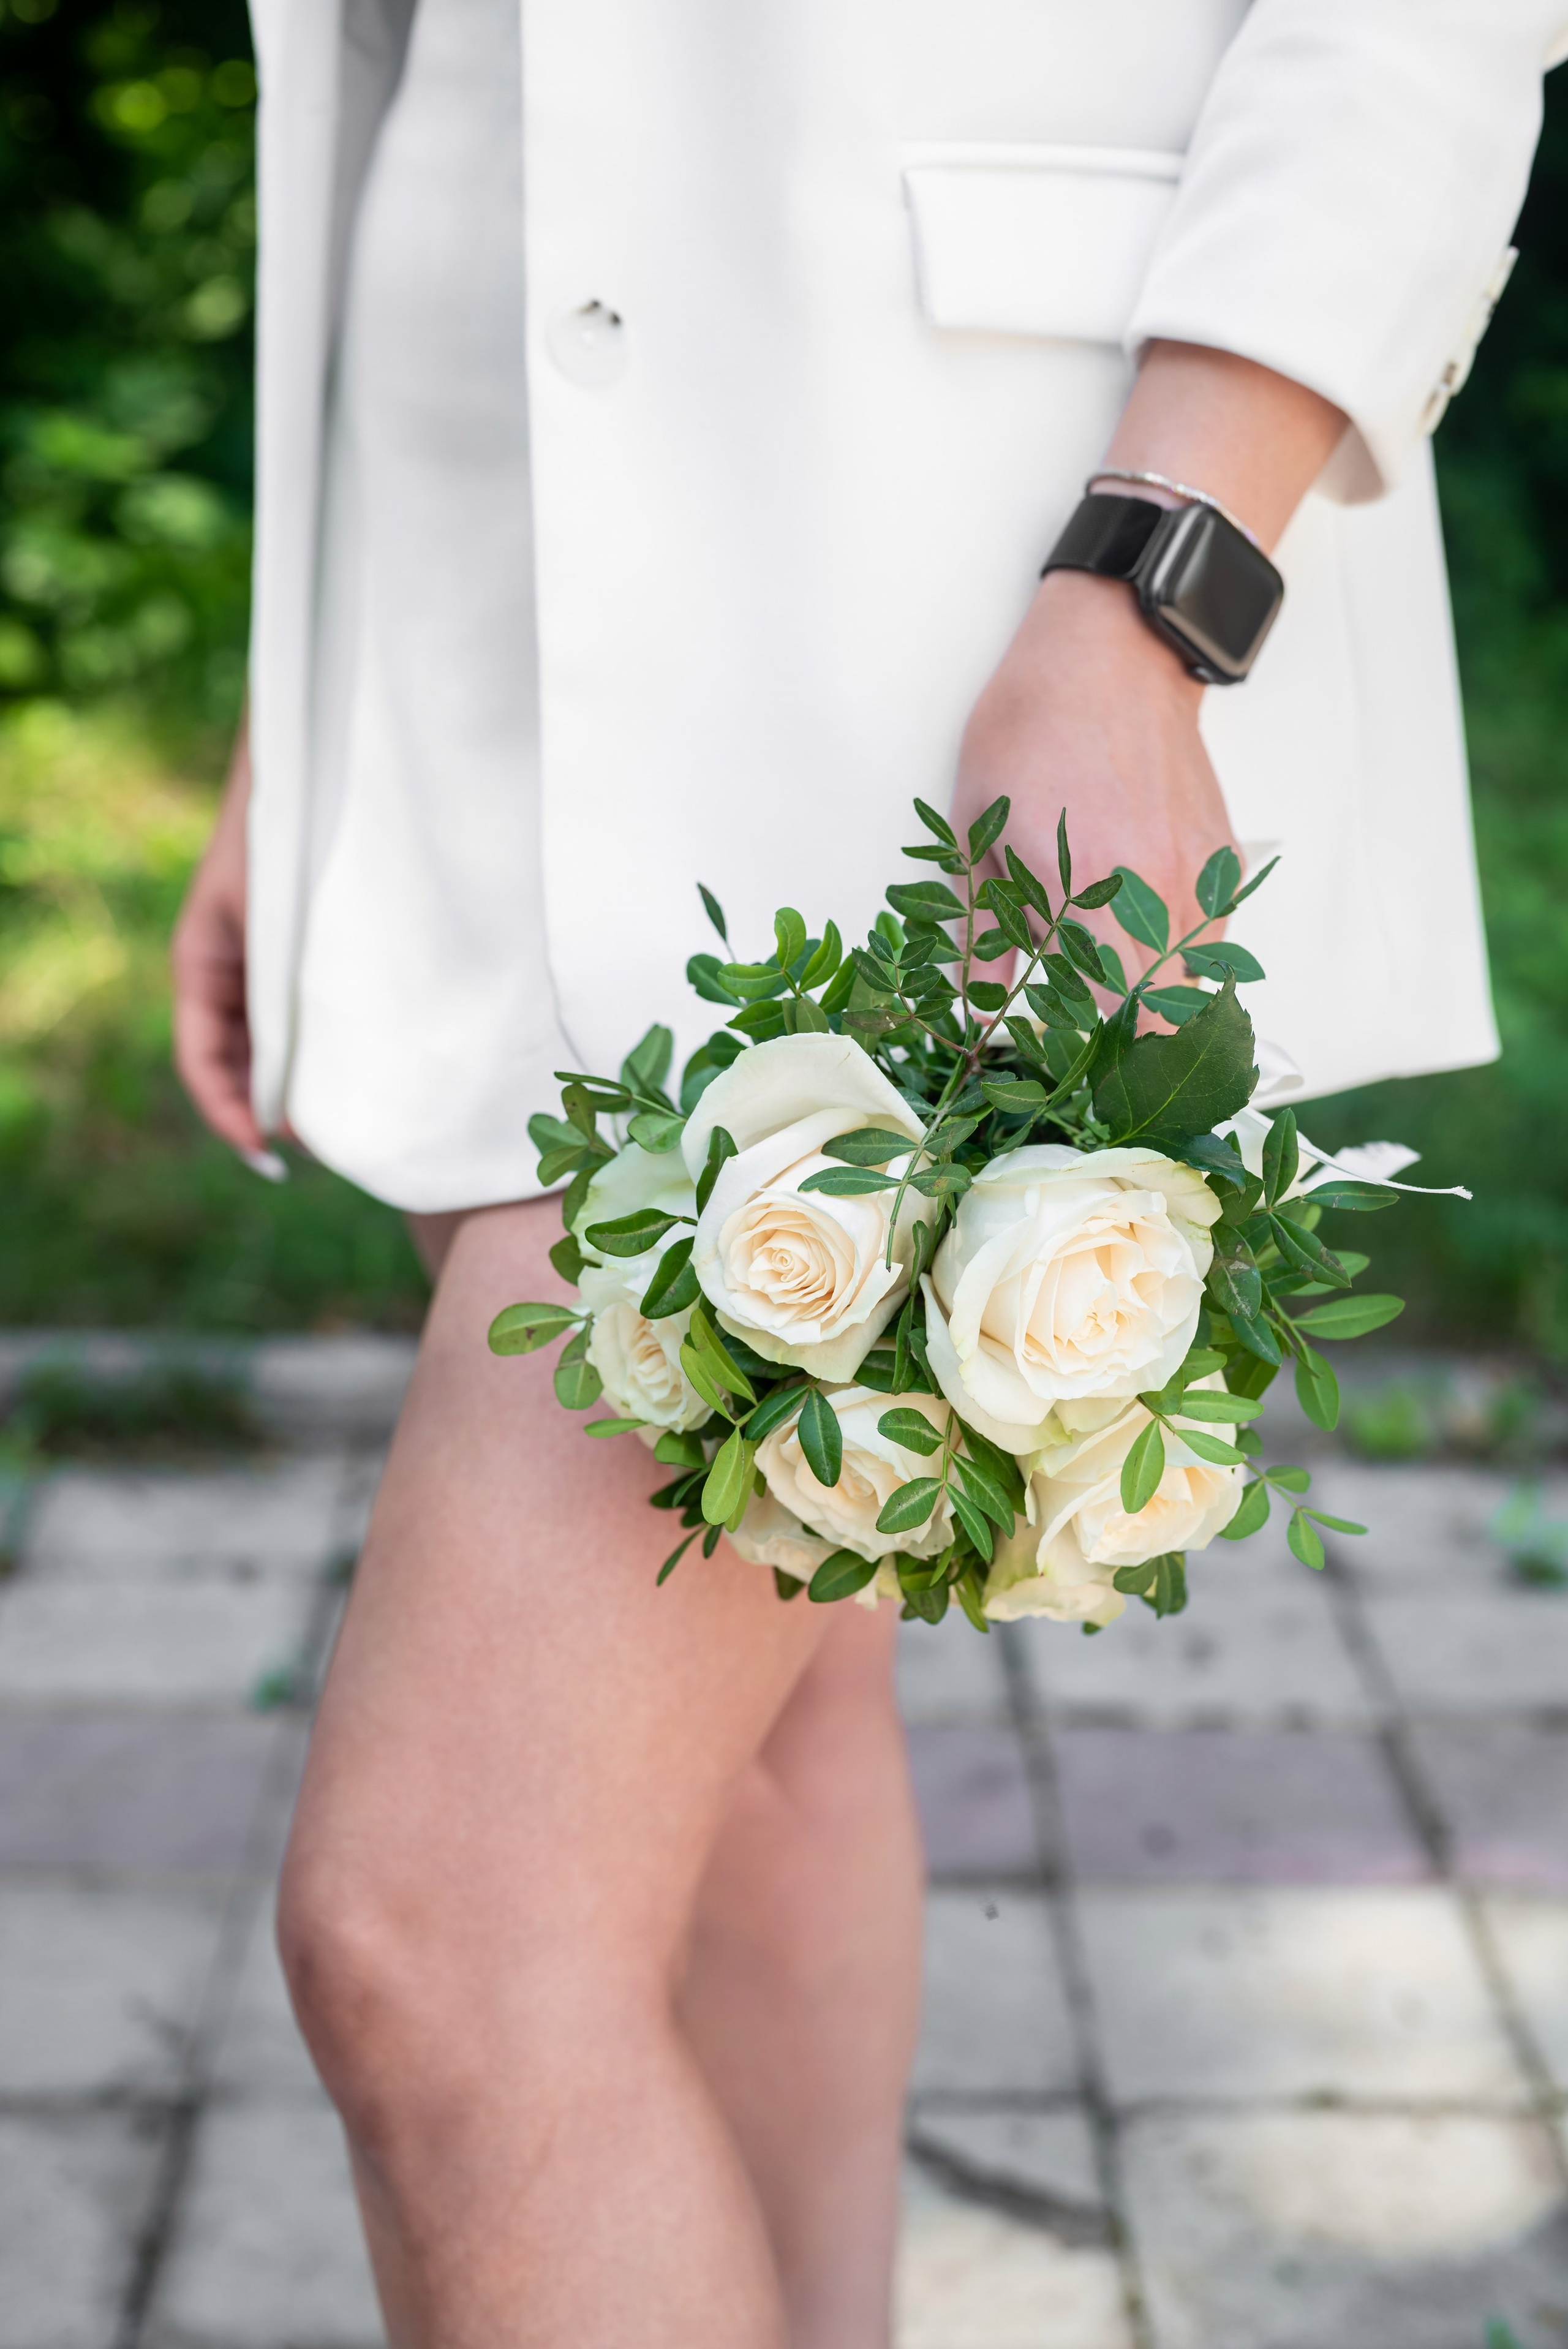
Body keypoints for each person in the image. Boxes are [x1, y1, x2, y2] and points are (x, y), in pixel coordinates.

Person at [172, 2, 1568, 2339]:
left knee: (440, 1944)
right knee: (758, 1763)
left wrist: (1153, 591)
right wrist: (300, 722)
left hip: (935, 607)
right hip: (476, 622)